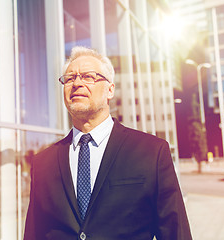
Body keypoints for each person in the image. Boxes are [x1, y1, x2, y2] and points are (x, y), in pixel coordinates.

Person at [24, 46, 192, 240]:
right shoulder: (43, 163)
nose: (77, 83)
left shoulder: (151, 152)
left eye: (88, 76)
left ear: (110, 89)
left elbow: (176, 233)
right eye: (69, 78)